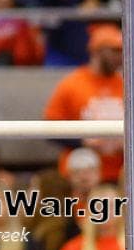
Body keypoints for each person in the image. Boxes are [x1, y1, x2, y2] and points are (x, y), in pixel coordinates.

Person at [43, 24, 125, 182]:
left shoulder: (125, 85)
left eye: (121, 51)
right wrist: (83, 141)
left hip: (118, 173)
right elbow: (50, 128)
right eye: (114, 51)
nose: (120, 56)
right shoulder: (72, 83)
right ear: (96, 51)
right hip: (78, 173)